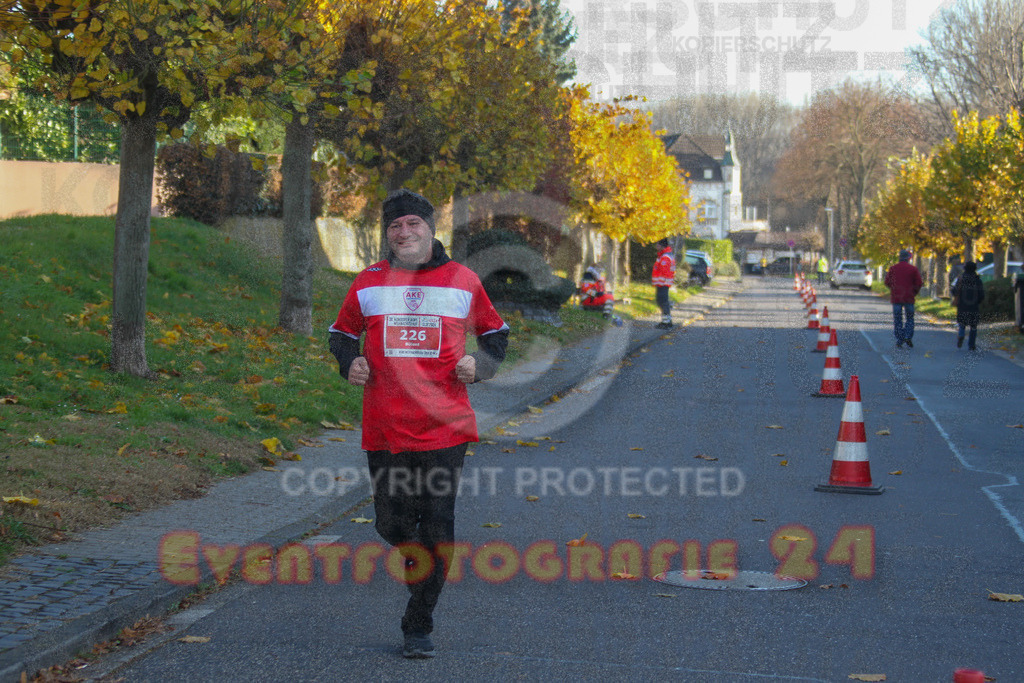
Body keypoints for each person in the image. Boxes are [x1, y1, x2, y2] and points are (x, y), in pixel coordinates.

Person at [328, 189, 509, 659]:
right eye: (394, 226)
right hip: (385, 426)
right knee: (390, 523)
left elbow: (495, 333)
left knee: (438, 528)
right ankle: (419, 564)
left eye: (412, 224)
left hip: (445, 428)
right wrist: (349, 361)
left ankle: (418, 624)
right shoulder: (369, 282)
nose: (403, 232)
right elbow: (341, 333)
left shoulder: (463, 280)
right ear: (387, 234)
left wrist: (480, 365)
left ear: (430, 229)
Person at [883, 248, 923, 348]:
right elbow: (919, 283)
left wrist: (893, 289)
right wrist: (914, 292)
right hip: (909, 297)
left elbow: (887, 282)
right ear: (908, 258)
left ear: (899, 258)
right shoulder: (913, 269)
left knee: (898, 319)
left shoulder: (893, 268)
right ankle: (908, 335)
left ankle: (900, 338)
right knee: (910, 318)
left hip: (897, 297)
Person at [951, 260, 985, 350]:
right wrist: (978, 302)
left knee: (962, 323)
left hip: (962, 305)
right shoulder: (977, 280)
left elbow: (954, 291)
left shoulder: (961, 279)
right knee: (973, 326)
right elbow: (981, 294)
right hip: (974, 306)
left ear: (965, 268)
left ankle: (961, 334)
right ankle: (971, 345)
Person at [651, 238, 676, 329]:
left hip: (663, 283)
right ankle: (667, 321)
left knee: (662, 302)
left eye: (658, 244)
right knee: (662, 302)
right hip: (663, 283)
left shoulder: (665, 257)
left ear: (662, 246)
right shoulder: (665, 255)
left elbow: (664, 271)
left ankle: (666, 323)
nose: (656, 246)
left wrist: (660, 280)